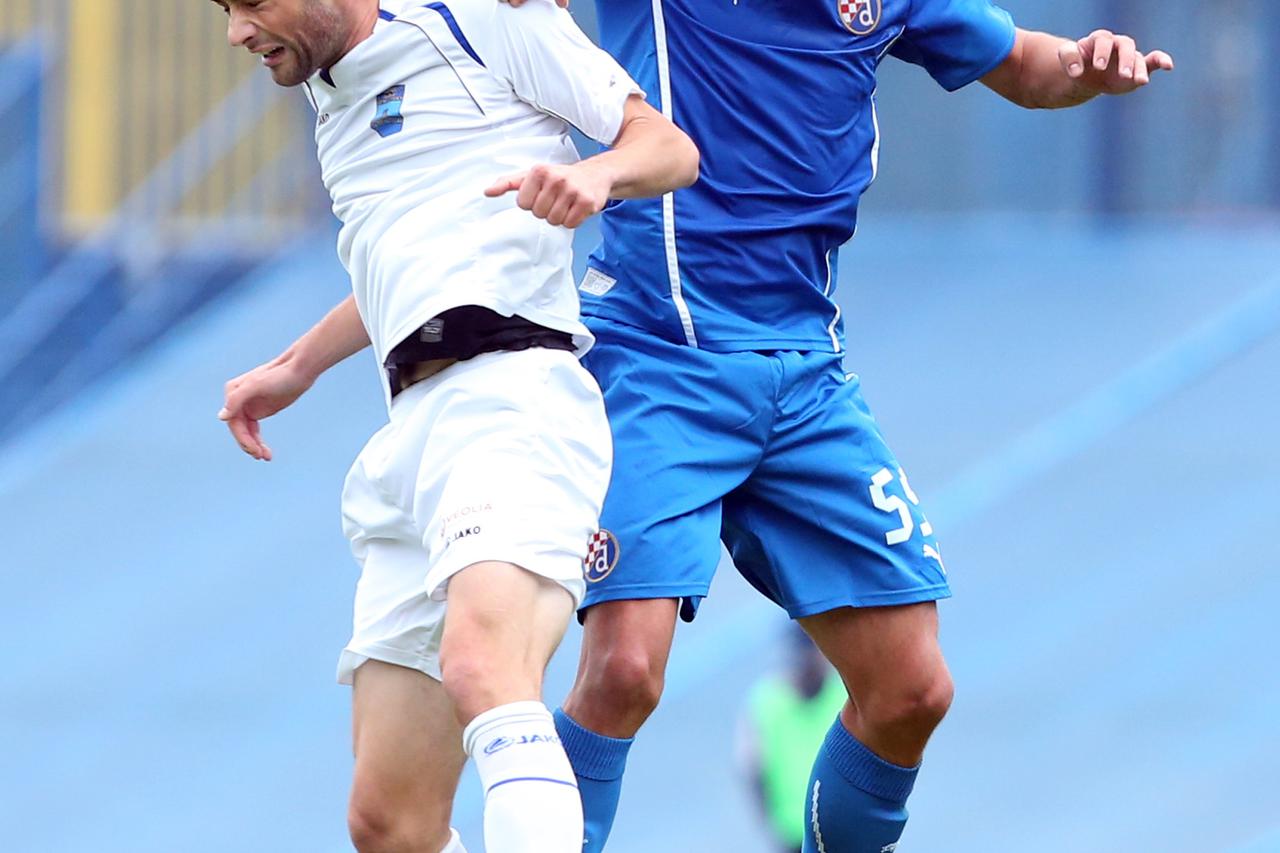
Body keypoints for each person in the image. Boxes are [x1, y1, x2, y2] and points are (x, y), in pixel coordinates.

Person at [500, 1, 1174, 850]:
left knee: (913, 690)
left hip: (804, 369)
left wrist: (1087, 66)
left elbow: (1029, 65)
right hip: (658, 353)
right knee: (624, 670)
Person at [208, 1, 697, 851]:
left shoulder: (480, 15)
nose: (237, 31)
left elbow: (669, 148)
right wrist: (298, 364)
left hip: (514, 400)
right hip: (408, 437)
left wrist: (599, 174)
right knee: (387, 820)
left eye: (251, 2)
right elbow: (408, 255)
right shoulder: (332, 96)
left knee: (484, 667)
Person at [740, 626, 849, 853]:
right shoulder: (768, 702)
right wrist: (771, 823)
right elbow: (752, 770)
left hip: (842, 831)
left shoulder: (845, 696)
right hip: (792, 832)